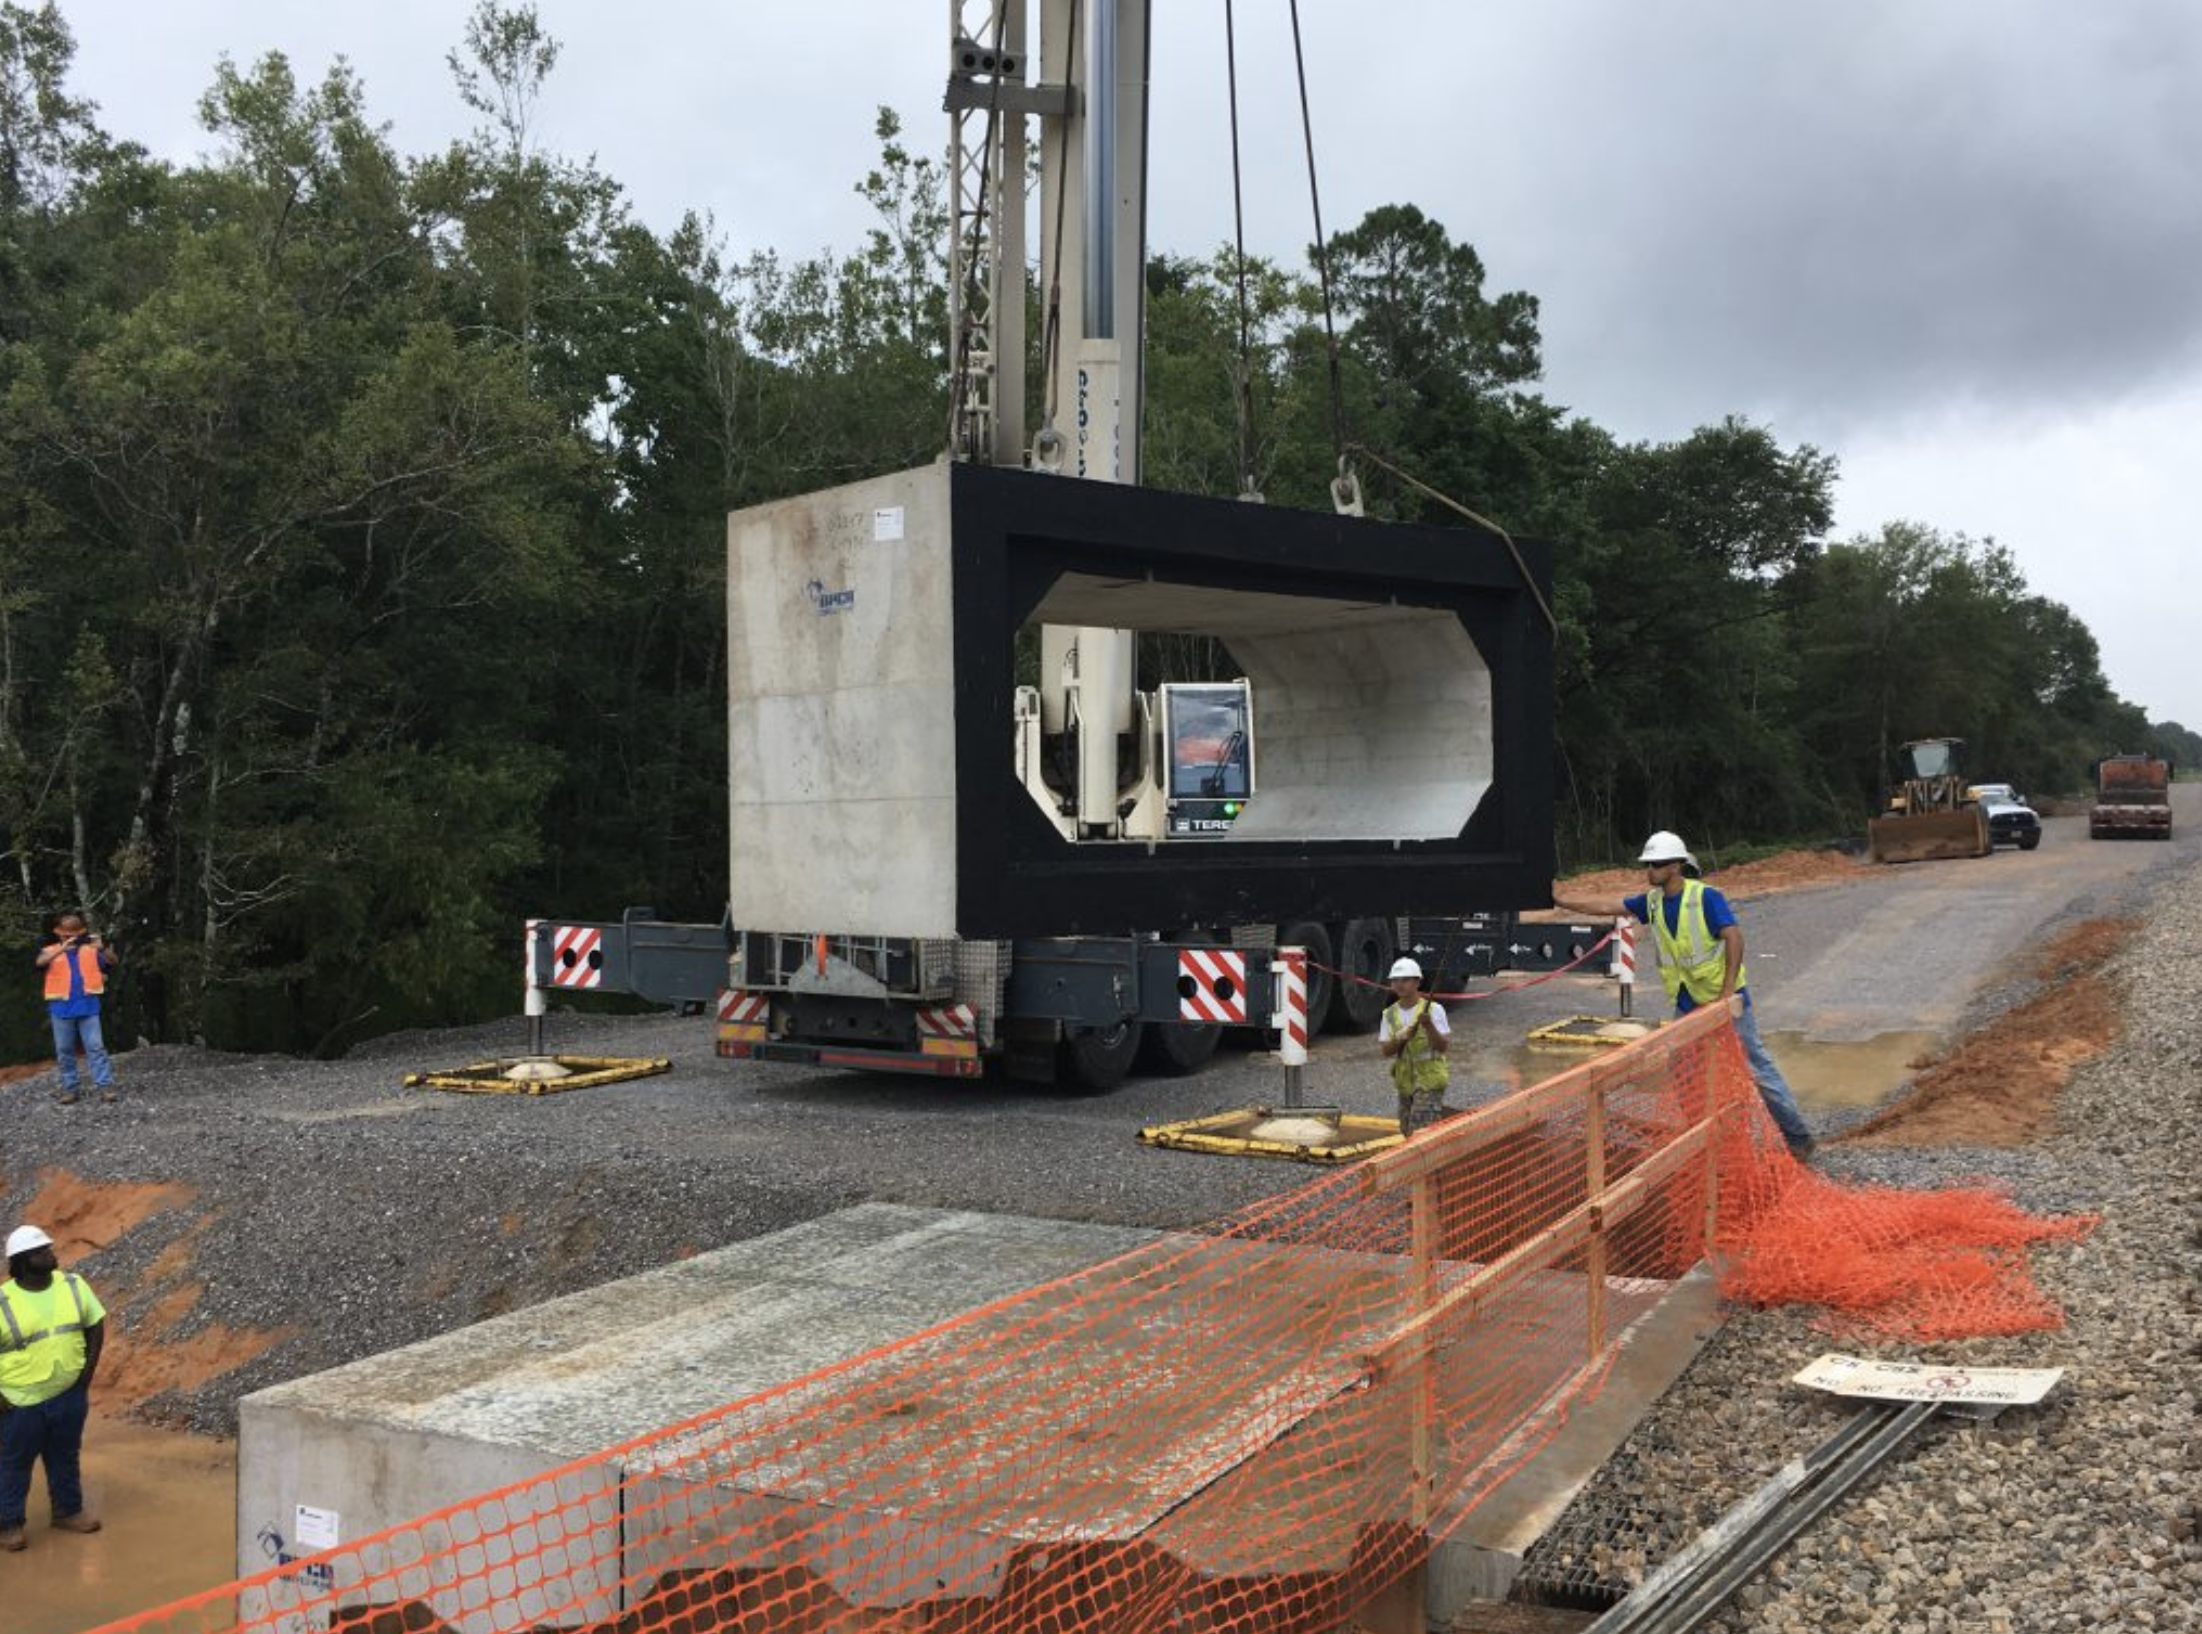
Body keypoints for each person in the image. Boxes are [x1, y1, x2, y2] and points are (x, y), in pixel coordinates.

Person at [1555, 831, 1817, 1161]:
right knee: (1682, 1068)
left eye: (1657, 864)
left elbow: (1734, 937)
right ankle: (1701, 1132)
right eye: (1648, 864)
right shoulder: (1652, 902)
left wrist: (1725, 994)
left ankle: (1798, 1137)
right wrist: (1561, 900)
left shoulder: (1705, 897)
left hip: (1724, 1000)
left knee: (1757, 1068)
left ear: (1676, 865)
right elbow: (1607, 906)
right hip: (1688, 1001)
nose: (1650, 870)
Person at [0, 1224, 107, 1551]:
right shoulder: (3, 1301)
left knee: (65, 1456)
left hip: (68, 1395)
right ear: (19, 1263)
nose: (50, 1254)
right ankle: (9, 1525)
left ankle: (67, 1510)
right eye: (39, 1252)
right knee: (14, 1464)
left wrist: (86, 1375)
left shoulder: (73, 1285)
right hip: (20, 1402)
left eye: (48, 1248)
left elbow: (95, 1325)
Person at [36, 913, 117, 1106]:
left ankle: (105, 1087)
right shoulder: (50, 951)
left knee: (96, 1048)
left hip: (88, 1008)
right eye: (65, 935)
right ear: (59, 935)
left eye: (73, 934)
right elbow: (39, 963)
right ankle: (71, 1089)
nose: (69, 937)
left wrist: (102, 948)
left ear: (81, 933)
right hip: (61, 1010)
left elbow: (113, 962)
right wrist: (61, 950)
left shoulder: (91, 950)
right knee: (64, 1051)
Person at [1377, 956, 1451, 1136]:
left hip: (1429, 1080)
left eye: (1405, 980)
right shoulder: (1389, 1014)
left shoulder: (1434, 1010)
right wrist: (1399, 1038)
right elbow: (1386, 1051)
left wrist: (1429, 1026)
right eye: (1395, 980)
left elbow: (1442, 1047)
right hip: (1405, 1082)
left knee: (1420, 1130)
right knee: (1406, 1130)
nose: (1400, 984)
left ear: (1417, 982)